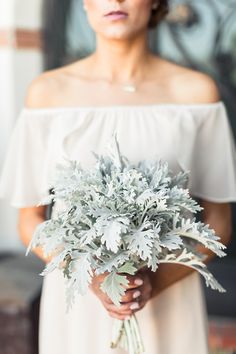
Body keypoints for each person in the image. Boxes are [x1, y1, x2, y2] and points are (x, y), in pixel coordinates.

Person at [0, 0, 236, 353]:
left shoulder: (195, 93)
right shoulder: (47, 94)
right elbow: (30, 222)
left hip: (170, 302)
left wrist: (155, 281)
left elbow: (218, 222)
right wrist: (95, 278)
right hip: (79, 301)